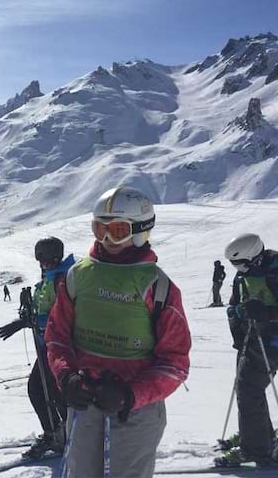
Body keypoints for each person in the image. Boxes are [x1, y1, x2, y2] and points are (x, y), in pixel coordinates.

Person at [45, 187, 191, 478]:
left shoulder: (158, 287)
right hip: (85, 401)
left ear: (140, 231)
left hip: (133, 410)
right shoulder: (79, 275)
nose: (108, 239)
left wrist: (130, 394)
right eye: (100, 229)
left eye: (118, 230)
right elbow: (57, 336)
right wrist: (66, 376)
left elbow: (175, 362)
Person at [218, 233, 278, 467]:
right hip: (250, 339)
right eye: (233, 264)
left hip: (274, 342)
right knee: (246, 388)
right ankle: (257, 435)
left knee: (249, 388)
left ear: (254, 257)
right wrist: (236, 323)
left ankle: (258, 449)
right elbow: (234, 304)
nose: (236, 268)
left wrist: (267, 314)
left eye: (239, 263)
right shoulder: (243, 277)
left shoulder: (276, 275)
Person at [0, 237, 75, 458]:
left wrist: (29, 322)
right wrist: (28, 313)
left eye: (49, 259)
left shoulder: (63, 278)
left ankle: (60, 435)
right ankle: (62, 433)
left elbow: (62, 316)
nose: (44, 263)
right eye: (40, 259)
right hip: (48, 345)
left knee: (41, 390)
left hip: (60, 347)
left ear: (58, 257)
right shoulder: (52, 276)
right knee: (47, 390)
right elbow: (44, 308)